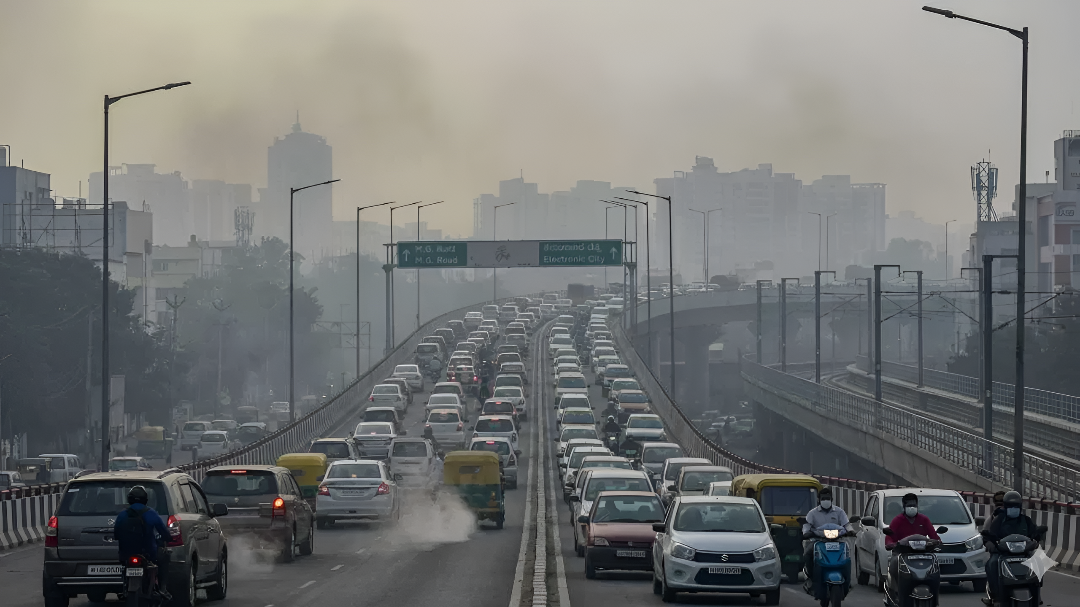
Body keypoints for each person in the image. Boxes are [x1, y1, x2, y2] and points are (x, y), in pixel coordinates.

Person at [982, 491, 1042, 606]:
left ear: (1020, 507)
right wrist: (989, 543)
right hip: (1002, 553)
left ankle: (1037, 594)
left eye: (1016, 506)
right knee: (992, 563)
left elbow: (1034, 534)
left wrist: (1037, 539)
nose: (1013, 509)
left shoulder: (1026, 520)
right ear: (1005, 506)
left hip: (1024, 554)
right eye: (1010, 506)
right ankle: (995, 596)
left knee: (1039, 561)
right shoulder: (998, 520)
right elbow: (989, 534)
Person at [114, 485, 171, 599]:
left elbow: (116, 535)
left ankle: (124, 585)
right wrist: (166, 539)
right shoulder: (151, 513)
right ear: (146, 499)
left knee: (125, 566)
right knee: (165, 557)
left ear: (129, 499)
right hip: (149, 553)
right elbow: (164, 532)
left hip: (126, 553)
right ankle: (162, 588)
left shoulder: (122, 515)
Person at [885, 493, 941, 596]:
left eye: (913, 505)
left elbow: (934, 536)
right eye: (909, 505)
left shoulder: (924, 519)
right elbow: (889, 537)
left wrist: (936, 541)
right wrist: (891, 544)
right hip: (901, 553)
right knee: (893, 565)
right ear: (904, 506)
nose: (911, 507)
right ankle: (895, 592)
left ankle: (934, 595)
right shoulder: (897, 520)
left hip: (922, 554)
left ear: (917, 506)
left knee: (935, 569)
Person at [802, 488, 853, 582]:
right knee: (807, 554)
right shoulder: (812, 513)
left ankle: (847, 579)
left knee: (847, 557)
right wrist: (806, 533)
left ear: (832, 499)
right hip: (818, 541)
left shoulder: (839, 512)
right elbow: (806, 525)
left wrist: (850, 531)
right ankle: (812, 577)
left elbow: (846, 524)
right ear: (819, 499)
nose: (826, 500)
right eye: (823, 498)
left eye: (828, 498)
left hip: (837, 541)